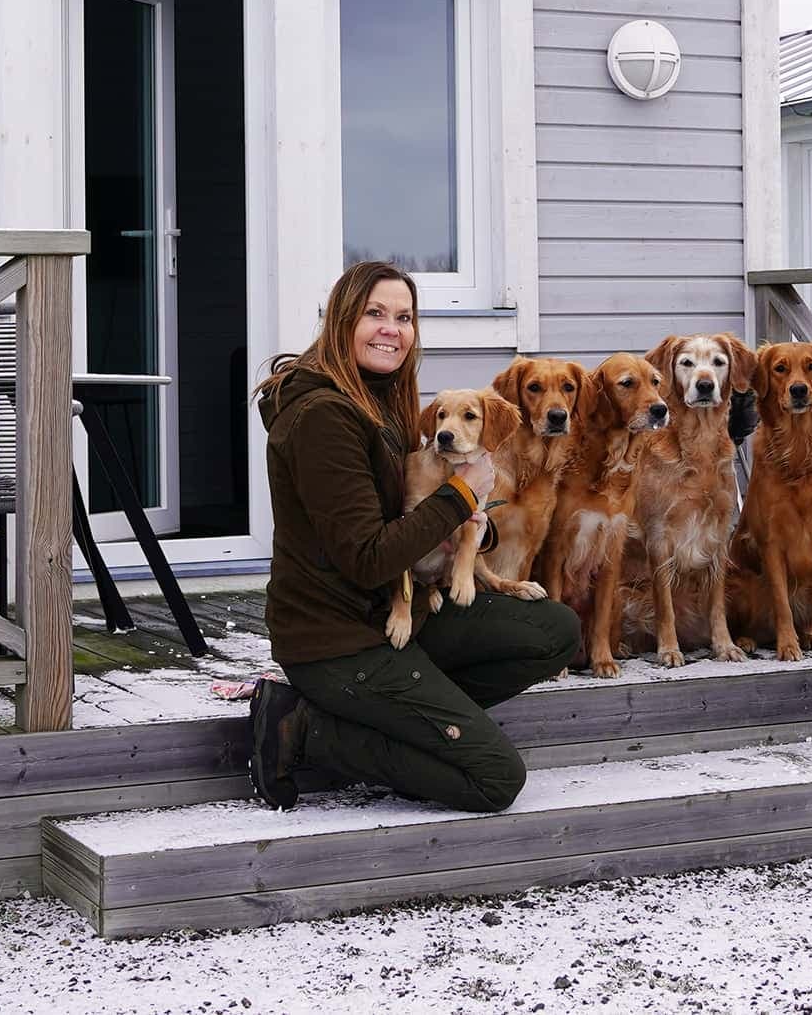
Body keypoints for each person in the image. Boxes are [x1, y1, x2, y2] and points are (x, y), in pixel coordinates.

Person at [248, 259, 580, 813]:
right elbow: (367, 557)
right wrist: (463, 498)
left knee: (554, 629)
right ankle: (309, 730)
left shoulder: (379, 399)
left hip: (398, 614)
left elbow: (426, 515)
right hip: (338, 642)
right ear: (340, 321)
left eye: (404, 317)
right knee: (494, 778)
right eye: (374, 313)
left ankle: (406, 719)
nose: (392, 329)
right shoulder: (322, 418)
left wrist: (475, 524)